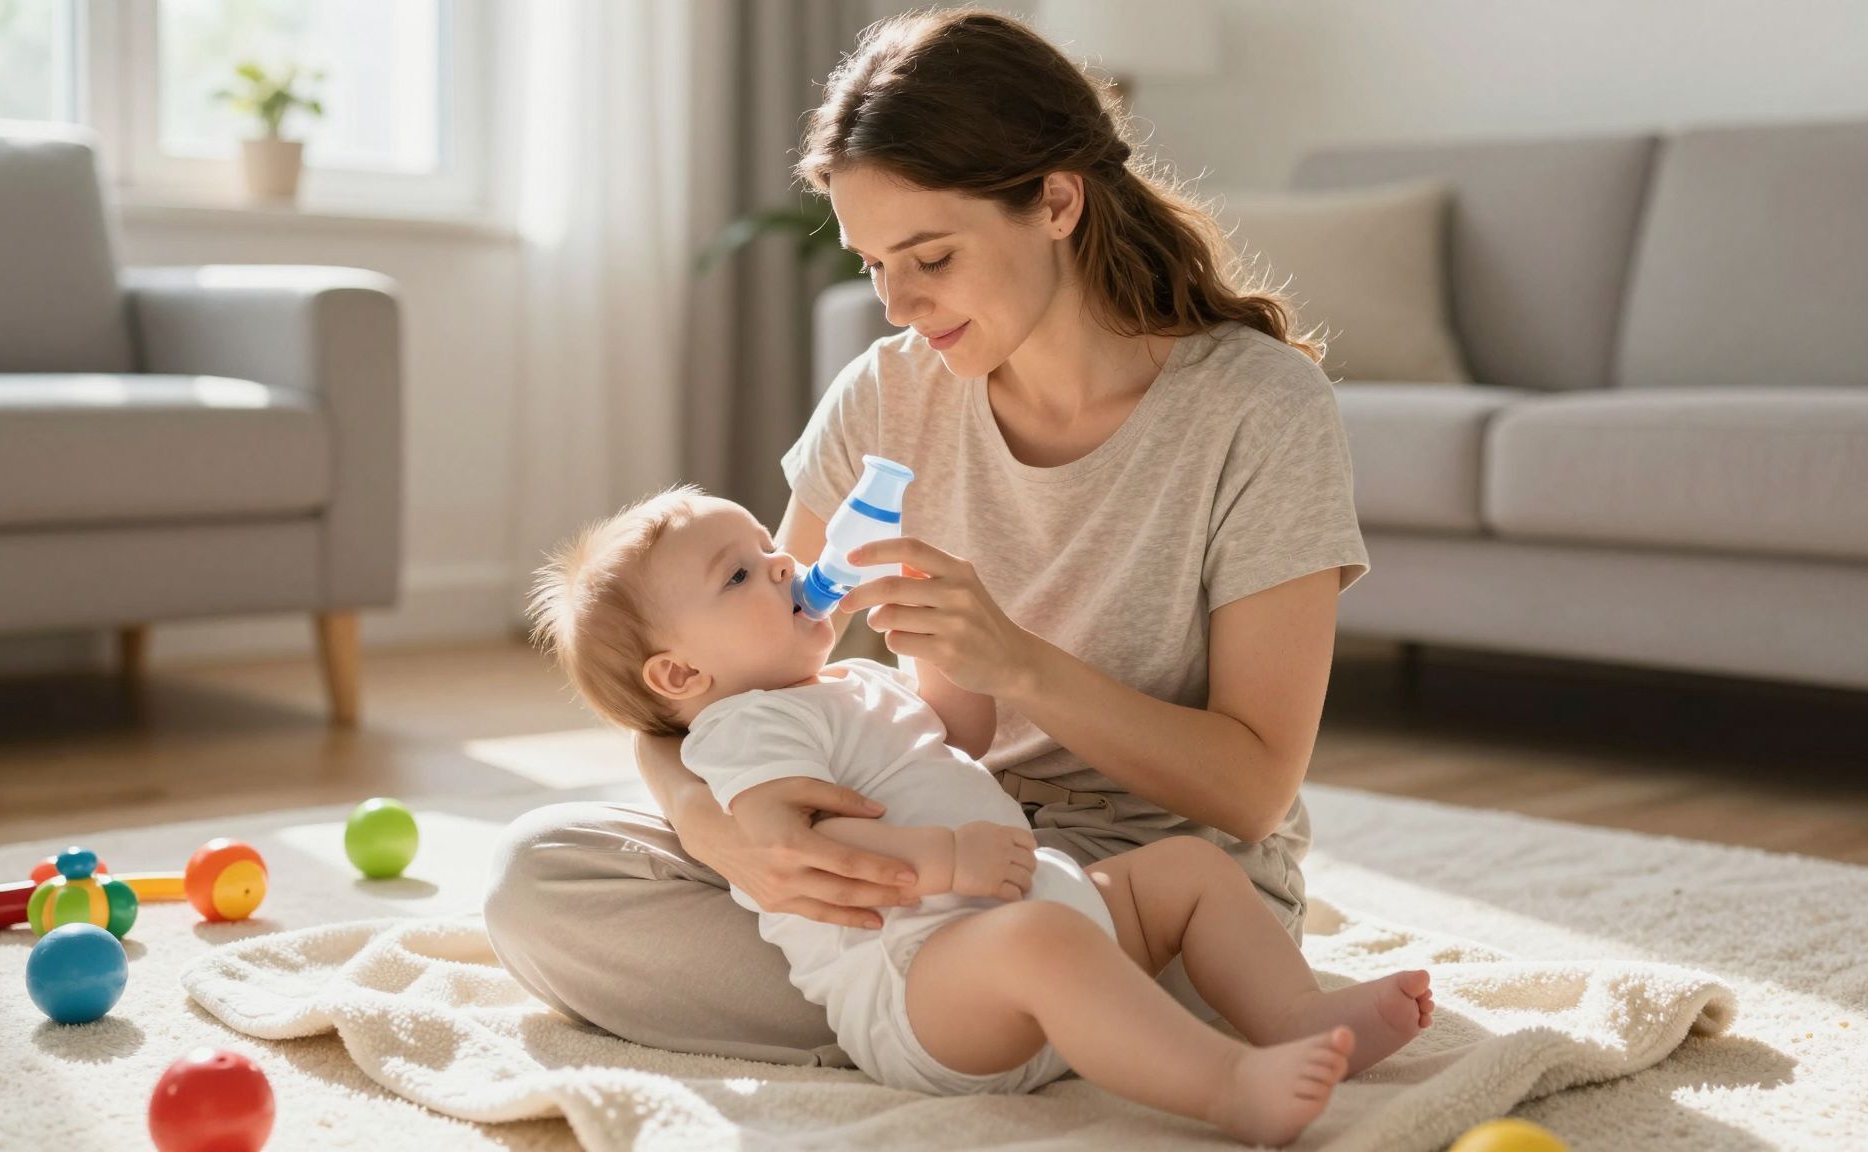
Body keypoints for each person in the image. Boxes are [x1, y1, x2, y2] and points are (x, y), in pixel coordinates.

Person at [484, 6, 1372, 1076]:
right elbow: (711, 686)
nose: (899, 306)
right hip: (916, 857)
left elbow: (1251, 789)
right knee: (538, 877)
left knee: (1068, 937)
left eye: (929, 257)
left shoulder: (1256, 409)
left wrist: (1019, 666)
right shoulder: (887, 397)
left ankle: (980, 1020)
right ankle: (995, 1027)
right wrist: (731, 839)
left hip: (1155, 880)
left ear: (1054, 199)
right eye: (871, 265)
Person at [525, 486, 1430, 1146]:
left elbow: (960, 734)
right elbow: (794, 841)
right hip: (918, 981)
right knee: (1043, 943)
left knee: (1192, 873)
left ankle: (1298, 1017)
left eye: (769, 544)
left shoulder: (849, 683)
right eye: (740, 575)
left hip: (1027, 900)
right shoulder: (744, 728)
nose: (783, 563)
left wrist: (945, 659)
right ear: (681, 677)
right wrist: (944, 859)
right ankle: (1229, 1087)